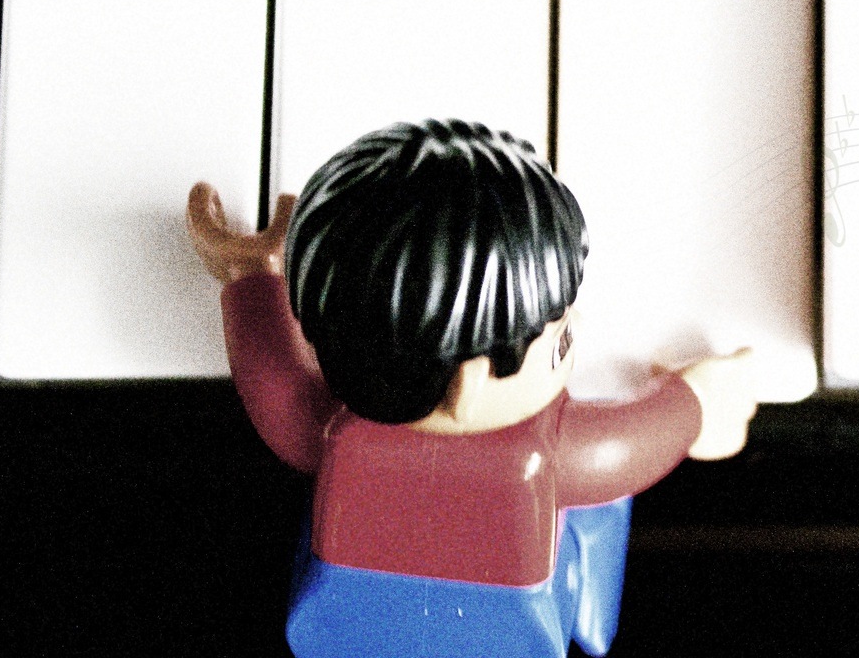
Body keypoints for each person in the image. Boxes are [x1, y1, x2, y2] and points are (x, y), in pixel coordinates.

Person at [188, 119, 756, 658]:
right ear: (468, 387)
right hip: (510, 636)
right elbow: (631, 448)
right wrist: (697, 403)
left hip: (339, 625)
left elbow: (272, 381)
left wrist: (250, 278)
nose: (574, 327)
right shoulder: (551, 454)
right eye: (559, 336)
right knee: (603, 512)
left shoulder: (328, 427)